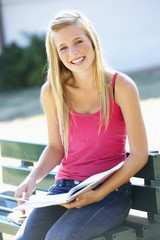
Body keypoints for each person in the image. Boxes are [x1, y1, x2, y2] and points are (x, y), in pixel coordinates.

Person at [14, 10, 148, 240]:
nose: (73, 52)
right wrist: (31, 179)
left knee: (58, 237)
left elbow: (138, 155)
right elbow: (56, 147)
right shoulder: (52, 91)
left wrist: (98, 194)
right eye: (63, 47)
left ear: (92, 41)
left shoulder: (121, 86)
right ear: (56, 54)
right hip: (64, 190)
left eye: (78, 41)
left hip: (110, 191)